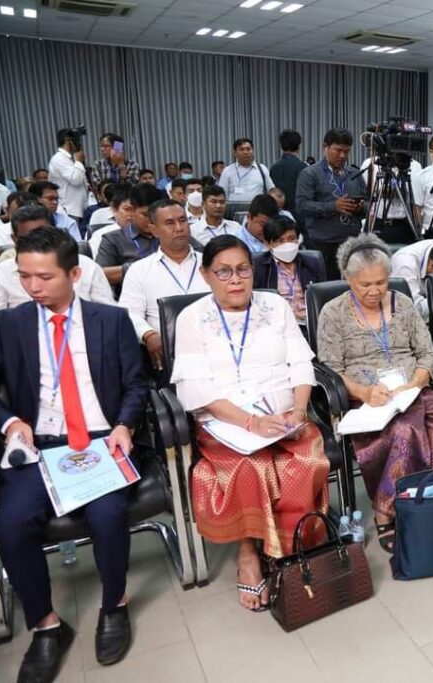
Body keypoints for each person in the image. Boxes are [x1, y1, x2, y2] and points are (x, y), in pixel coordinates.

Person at [0, 227, 145, 679]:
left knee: (108, 514)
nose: (33, 287)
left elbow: (136, 384)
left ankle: (114, 604)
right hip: (39, 446)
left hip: (100, 439)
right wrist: (10, 422)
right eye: (24, 276)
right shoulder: (9, 325)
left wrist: (124, 425)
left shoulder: (110, 320)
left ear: (74, 274)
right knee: (11, 523)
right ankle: (46, 625)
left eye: (44, 277)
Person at [172, 235, 329, 609]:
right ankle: (248, 554)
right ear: (206, 275)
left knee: (306, 461)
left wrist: (299, 410)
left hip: (284, 416)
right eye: (223, 272)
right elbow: (195, 389)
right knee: (251, 468)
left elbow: (300, 364)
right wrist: (250, 423)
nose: (235, 280)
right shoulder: (192, 318)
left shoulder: (275, 306)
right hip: (226, 421)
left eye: (243, 270)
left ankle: (292, 550)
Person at [316, 234, 433, 550]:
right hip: (367, 401)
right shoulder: (333, 312)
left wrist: (416, 382)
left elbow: (427, 352)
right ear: (348, 279)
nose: (374, 291)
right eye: (365, 284)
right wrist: (364, 392)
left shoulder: (403, 304)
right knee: (405, 432)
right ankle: (387, 511)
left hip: (412, 391)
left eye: (381, 282)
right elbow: (331, 368)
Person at [119, 200, 210, 372]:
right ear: (154, 230)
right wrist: (148, 334)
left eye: (182, 220)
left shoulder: (211, 263)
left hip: (214, 347)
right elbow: (129, 313)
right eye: (169, 223)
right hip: (167, 355)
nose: (179, 228)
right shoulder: (139, 270)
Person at [0, 204, 114, 310]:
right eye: (29, 238)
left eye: (44, 235)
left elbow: (107, 313)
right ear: (15, 239)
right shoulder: (1, 273)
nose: (37, 242)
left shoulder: (86, 266)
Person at [296, 128, 368, 280]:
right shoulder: (310, 174)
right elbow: (302, 206)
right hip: (323, 244)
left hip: (352, 242)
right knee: (327, 287)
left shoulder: (355, 174)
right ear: (325, 147)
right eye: (338, 150)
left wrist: (360, 207)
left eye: (346, 151)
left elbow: (369, 204)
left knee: (354, 285)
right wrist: (333, 206)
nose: (342, 156)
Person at [252, 216, 325, 324]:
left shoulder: (312, 263)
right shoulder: (258, 266)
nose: (287, 244)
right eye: (280, 241)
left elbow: (321, 298)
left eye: (291, 239)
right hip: (277, 322)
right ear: (268, 244)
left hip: (309, 322)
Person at [97, 183, 166, 287]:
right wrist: (139, 268)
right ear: (132, 211)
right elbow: (99, 275)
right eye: (145, 215)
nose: (151, 219)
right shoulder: (113, 239)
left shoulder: (171, 233)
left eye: (155, 214)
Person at [360, 153, 423, 245]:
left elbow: (417, 200)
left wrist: (402, 192)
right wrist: (379, 192)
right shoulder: (372, 163)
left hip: (404, 224)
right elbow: (365, 196)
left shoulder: (415, 166)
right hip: (377, 222)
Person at [47, 128, 88, 223]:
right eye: (77, 140)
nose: (79, 143)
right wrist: (78, 162)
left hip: (77, 208)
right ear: (67, 140)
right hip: (69, 209)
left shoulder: (70, 158)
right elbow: (76, 180)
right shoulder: (59, 158)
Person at [218, 138, 275, 202]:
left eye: (248, 149)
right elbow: (221, 194)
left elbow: (271, 190)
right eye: (241, 149)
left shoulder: (262, 169)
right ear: (235, 153)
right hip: (234, 208)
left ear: (253, 151)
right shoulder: (227, 171)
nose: (245, 152)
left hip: (258, 207)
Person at [269, 129, 307, 223]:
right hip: (300, 217)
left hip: (278, 216)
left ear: (281, 146)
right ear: (299, 146)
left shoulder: (273, 168)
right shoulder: (304, 168)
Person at [88, 186, 134, 257]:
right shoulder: (100, 236)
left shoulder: (149, 234)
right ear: (114, 210)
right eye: (127, 209)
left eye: (135, 209)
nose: (132, 214)